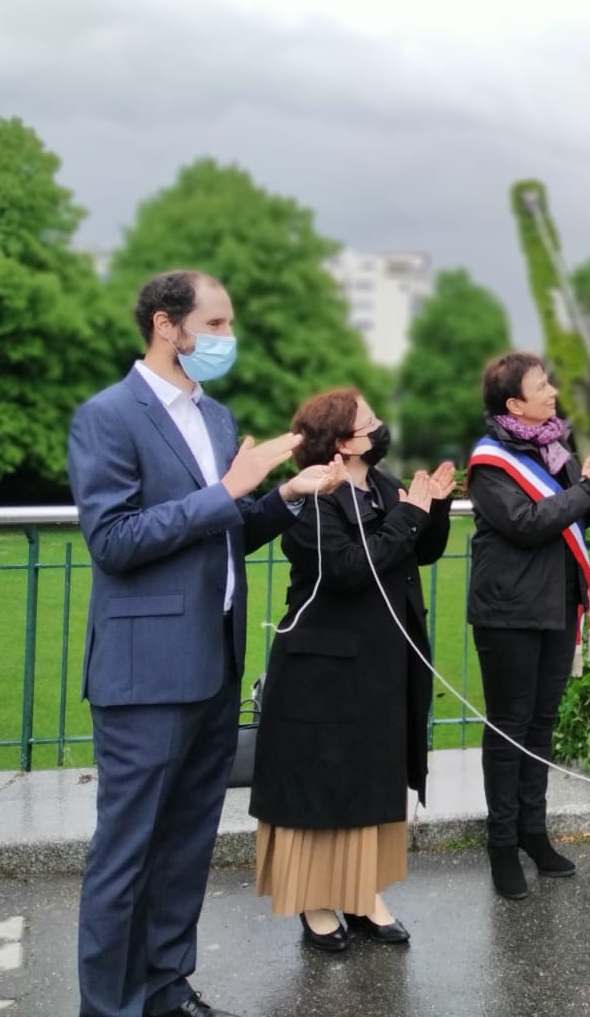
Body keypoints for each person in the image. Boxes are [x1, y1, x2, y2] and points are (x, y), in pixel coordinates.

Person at [68, 270, 343, 1017]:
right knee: (127, 854)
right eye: (216, 325)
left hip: (215, 664)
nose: (228, 339)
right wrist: (228, 491)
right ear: (167, 324)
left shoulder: (217, 420)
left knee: (186, 845)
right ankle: (112, 1006)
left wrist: (280, 496)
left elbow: (226, 532)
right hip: (145, 675)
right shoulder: (108, 417)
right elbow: (114, 540)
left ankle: (164, 986)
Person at [249, 388, 455, 951]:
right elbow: (345, 569)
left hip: (382, 666)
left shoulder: (385, 485)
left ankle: (363, 894)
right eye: (367, 422)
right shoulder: (313, 497)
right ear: (341, 442)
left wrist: (431, 509)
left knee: (371, 784)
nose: (379, 426)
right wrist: (410, 518)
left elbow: (419, 550)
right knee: (319, 791)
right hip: (322, 673)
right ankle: (315, 902)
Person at [466, 352, 590, 899]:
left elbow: (576, 515)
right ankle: (501, 844)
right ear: (513, 403)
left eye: (549, 384)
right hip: (509, 612)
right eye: (541, 387)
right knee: (509, 726)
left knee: (542, 724)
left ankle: (532, 832)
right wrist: (588, 485)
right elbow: (527, 524)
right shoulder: (491, 463)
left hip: (555, 605)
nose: (552, 394)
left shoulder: (552, 447)